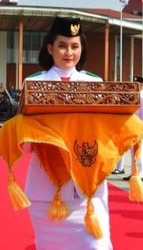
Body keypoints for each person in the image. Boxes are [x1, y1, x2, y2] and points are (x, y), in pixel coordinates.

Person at [23, 16, 112, 250]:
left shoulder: (95, 83)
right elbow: (23, 142)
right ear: (50, 48)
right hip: (48, 188)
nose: (69, 52)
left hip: (87, 188)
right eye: (62, 45)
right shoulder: (33, 83)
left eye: (75, 46)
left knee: (98, 245)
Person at [117, 76, 143, 180]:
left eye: (138, 84)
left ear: (142, 85)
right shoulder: (133, 96)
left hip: (140, 128)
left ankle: (139, 175)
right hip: (132, 128)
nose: (136, 86)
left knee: (139, 152)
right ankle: (133, 173)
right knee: (133, 152)